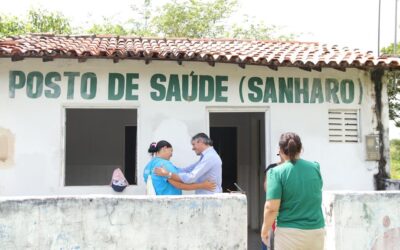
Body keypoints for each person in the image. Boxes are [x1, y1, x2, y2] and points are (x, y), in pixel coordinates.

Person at [261, 132, 325, 250]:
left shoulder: (276, 173)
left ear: (280, 150)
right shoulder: (315, 167)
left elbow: (272, 208)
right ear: (301, 149)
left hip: (289, 234)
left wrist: (264, 230)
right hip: (316, 232)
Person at [154, 133, 222, 194]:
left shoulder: (210, 157)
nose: (192, 148)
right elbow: (188, 169)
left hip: (210, 198)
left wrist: (168, 174)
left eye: (193, 144)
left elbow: (191, 177)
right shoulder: (206, 157)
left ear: (200, 142)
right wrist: (171, 169)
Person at [143, 140, 216, 195]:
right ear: (164, 148)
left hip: (156, 203)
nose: (171, 154)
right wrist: (203, 185)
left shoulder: (148, 166)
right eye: (171, 151)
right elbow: (180, 185)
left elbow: (181, 171)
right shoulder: (164, 164)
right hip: (169, 204)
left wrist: (200, 162)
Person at [262, 153, 284, 250]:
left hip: (285, 211)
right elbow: (267, 187)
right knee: (269, 240)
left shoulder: (294, 168)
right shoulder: (272, 168)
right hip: (274, 207)